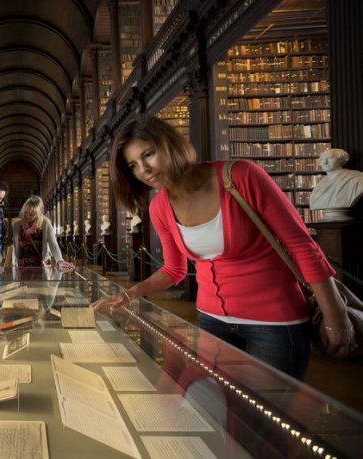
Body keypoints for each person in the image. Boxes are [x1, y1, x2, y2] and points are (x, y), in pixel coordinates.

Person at [91, 116, 356, 379]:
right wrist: (130, 294)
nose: (144, 170)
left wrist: (336, 315)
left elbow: (302, 246)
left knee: (263, 417)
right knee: (221, 414)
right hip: (211, 321)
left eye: (148, 155)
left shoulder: (241, 176)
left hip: (274, 324)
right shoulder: (159, 207)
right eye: (133, 165)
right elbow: (174, 269)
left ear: (170, 145)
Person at [12, 195, 74, 272]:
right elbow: (15, 248)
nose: (27, 216)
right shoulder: (17, 225)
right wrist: (14, 263)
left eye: (31, 214)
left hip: (41, 265)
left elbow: (53, 244)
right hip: (22, 265)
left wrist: (59, 261)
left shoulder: (45, 223)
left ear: (38, 214)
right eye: (25, 212)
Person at [309, 148, 363, 220]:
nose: (325, 162)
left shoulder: (357, 178)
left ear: (341, 160)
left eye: (330, 158)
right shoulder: (321, 183)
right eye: (322, 159)